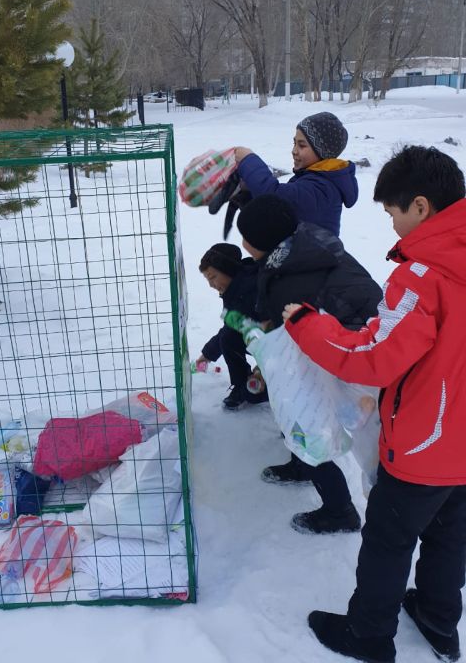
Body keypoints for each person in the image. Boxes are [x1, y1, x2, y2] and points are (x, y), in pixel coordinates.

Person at [283, 146, 466, 663]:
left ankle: (368, 635)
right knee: (450, 535)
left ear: (422, 206)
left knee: (388, 538)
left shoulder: (423, 276)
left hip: (424, 444)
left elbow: (374, 359)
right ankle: (438, 619)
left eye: (392, 213)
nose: (391, 225)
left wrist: (307, 324)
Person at [232, 194, 382, 534]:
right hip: (355, 342)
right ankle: (301, 465)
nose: (242, 243)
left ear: (263, 240)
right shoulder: (303, 245)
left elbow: (284, 338)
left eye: (246, 237)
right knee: (299, 416)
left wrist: (263, 355)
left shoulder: (289, 279)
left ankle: (340, 511)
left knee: (308, 421)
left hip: (352, 360)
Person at [234, 111, 357, 237]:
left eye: (302, 145)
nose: (294, 151)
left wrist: (248, 160)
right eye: (295, 143)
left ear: (323, 152)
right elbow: (277, 219)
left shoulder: (321, 189)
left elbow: (274, 197)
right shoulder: (310, 180)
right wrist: (247, 196)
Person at [197, 243, 268, 410]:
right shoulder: (233, 291)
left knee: (255, 394)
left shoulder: (254, 288)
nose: (211, 285)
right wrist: (208, 354)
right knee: (229, 336)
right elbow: (231, 327)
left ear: (228, 269)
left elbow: (276, 332)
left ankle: (270, 387)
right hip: (260, 341)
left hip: (284, 348)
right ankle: (242, 385)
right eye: (208, 279)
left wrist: (262, 370)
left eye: (213, 277)